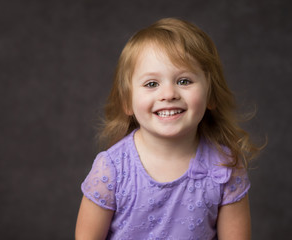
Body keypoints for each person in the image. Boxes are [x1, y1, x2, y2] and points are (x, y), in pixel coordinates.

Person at [75, 18, 261, 240]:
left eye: (184, 81)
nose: (169, 94)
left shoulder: (226, 166)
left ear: (210, 95)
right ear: (127, 101)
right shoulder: (112, 169)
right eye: (152, 84)